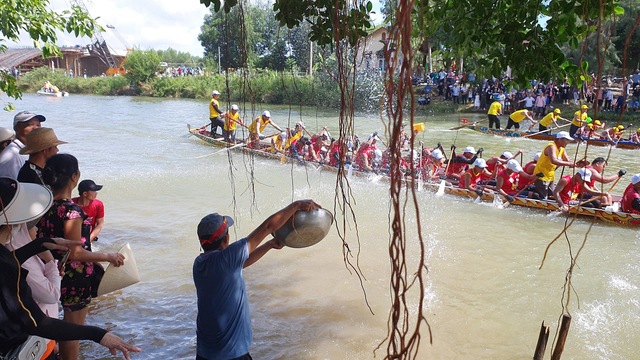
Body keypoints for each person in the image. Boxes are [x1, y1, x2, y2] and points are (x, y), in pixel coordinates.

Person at [0, 177, 140, 360]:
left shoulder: (5, 255)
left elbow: (11, 260)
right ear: (12, 223)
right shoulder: (7, 269)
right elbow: (38, 323)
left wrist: (41, 244)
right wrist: (99, 335)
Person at [193, 199, 321, 360]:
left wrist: (268, 245)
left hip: (205, 353)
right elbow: (268, 227)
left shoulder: (199, 264)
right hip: (232, 354)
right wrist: (297, 205)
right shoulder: (228, 258)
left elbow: (241, 263)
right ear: (226, 239)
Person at [37, 154, 126, 360]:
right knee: (73, 330)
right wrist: (108, 256)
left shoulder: (43, 205)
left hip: (50, 270)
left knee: (64, 326)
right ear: (74, 177)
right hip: (74, 275)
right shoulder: (72, 211)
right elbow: (76, 252)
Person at [0, 111, 45, 179]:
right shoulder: (12, 155)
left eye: (38, 125)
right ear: (17, 127)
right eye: (30, 124)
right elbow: (8, 186)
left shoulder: (28, 150)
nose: (35, 128)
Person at [532, 131, 577, 199]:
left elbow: (567, 161)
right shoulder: (551, 146)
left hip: (550, 176)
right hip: (541, 175)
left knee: (555, 195)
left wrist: (576, 164)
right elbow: (554, 161)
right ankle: (532, 194)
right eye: (567, 140)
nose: (568, 142)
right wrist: (569, 164)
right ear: (560, 139)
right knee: (544, 198)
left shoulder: (562, 148)